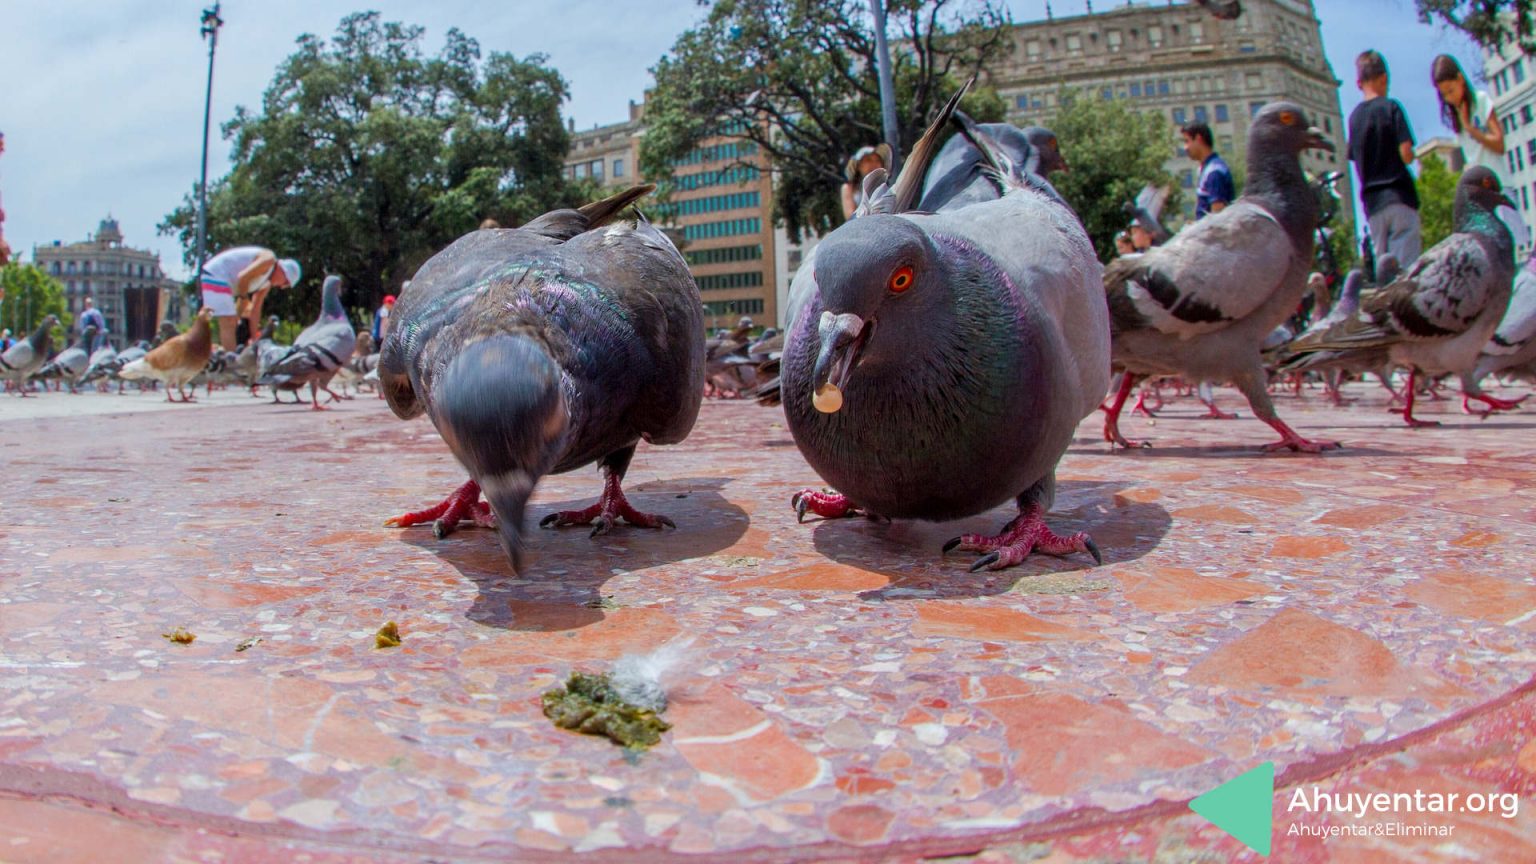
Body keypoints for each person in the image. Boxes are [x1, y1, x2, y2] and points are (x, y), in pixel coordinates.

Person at [1348, 50, 1421, 266]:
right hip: (1399, 197)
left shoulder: (1354, 118)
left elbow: (1354, 157)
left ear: (1358, 83)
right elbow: (1406, 153)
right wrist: (1411, 156)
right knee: (1406, 271)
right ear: (1384, 79)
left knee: (1385, 271)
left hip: (1373, 205)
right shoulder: (1391, 107)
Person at [199, 246, 300, 351]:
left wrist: (254, 337)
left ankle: (223, 353)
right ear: (283, 272)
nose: (281, 287)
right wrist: (243, 298)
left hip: (225, 281)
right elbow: (243, 277)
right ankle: (230, 362)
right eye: (285, 283)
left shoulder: (265, 284)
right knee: (228, 322)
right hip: (216, 274)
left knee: (232, 322)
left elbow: (255, 310)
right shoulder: (269, 260)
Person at [1432, 54, 1506, 177]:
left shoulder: (1480, 100)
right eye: (1444, 95)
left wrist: (1470, 129)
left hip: (1499, 182)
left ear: (1460, 79)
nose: (1450, 98)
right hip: (1477, 187)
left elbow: (1500, 145)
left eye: (1451, 91)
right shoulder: (1455, 116)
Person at [1181, 121, 1235, 218]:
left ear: (1198, 139)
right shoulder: (1205, 169)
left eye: (1187, 141)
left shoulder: (1214, 172)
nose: (1185, 148)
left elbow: (1218, 215)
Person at [841, 144, 890, 219]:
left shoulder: (886, 188)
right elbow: (851, 217)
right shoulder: (848, 188)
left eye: (877, 161)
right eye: (868, 160)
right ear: (858, 166)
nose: (874, 164)